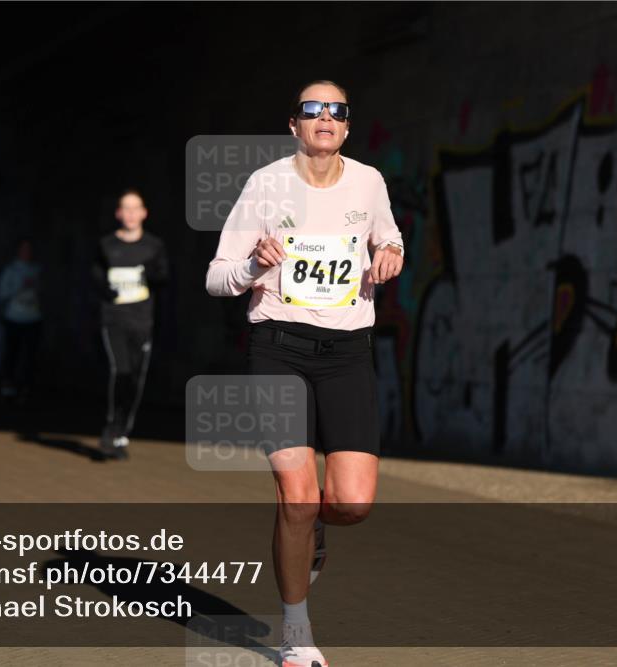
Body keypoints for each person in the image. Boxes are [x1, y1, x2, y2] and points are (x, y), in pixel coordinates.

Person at [205, 80, 405, 667]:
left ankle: (315, 529)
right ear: (293, 124)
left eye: (336, 110)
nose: (325, 117)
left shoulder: (369, 182)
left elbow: (388, 238)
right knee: (296, 496)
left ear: (346, 126)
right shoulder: (265, 184)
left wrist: (392, 252)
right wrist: (251, 263)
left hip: (347, 353)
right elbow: (216, 277)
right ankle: (295, 635)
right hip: (279, 347)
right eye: (312, 110)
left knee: (352, 502)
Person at [91, 188, 169, 459]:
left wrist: (152, 275)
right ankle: (111, 427)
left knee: (135, 377)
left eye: (136, 208)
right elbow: (96, 275)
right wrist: (105, 289)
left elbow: (164, 277)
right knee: (119, 370)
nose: (131, 213)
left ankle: (123, 433)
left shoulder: (154, 246)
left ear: (144, 213)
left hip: (142, 322)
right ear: (118, 214)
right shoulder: (106, 245)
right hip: (113, 319)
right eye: (126, 208)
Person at [0, 238, 43, 403]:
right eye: (24, 249)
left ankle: (26, 387)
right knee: (11, 353)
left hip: (33, 318)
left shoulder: (37, 270)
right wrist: (20, 287)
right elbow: (2, 293)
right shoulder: (12, 270)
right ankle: (8, 385)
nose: (27, 253)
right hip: (14, 318)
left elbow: (45, 293)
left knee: (30, 356)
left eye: (29, 249)